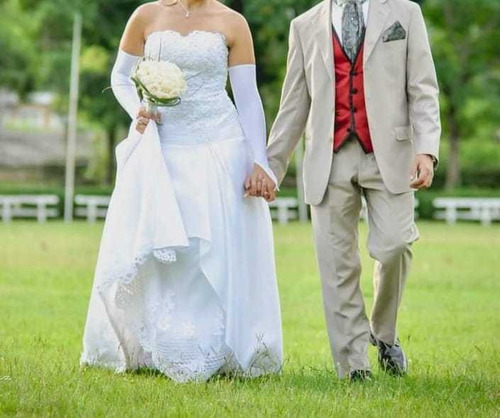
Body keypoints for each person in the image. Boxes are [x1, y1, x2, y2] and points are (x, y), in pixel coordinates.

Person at [80, 0, 282, 383]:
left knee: (211, 249)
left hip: (219, 145)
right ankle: (160, 344)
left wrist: (260, 160)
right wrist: (137, 110)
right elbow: (121, 77)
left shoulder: (233, 23)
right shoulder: (145, 16)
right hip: (162, 146)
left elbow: (248, 96)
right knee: (167, 249)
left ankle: (214, 347)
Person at [264, 0, 441, 381]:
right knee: (336, 267)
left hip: (390, 153)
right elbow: (294, 104)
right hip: (328, 158)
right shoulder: (304, 25)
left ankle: (384, 333)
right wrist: (272, 167)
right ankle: (353, 366)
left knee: (395, 245)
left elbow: (423, 88)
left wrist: (426, 150)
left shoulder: (405, 13)